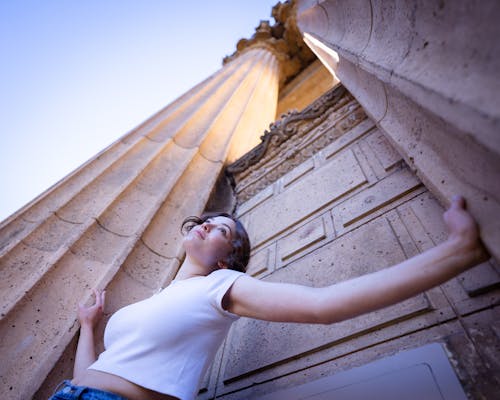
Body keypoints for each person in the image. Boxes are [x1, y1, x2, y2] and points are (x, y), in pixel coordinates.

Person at [49, 195, 488, 400]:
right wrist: (89, 326)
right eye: (207, 220)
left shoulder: (221, 288)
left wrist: (455, 252)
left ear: (228, 260)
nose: (205, 225)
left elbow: (323, 306)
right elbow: (89, 376)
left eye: (222, 229)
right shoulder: (156, 299)